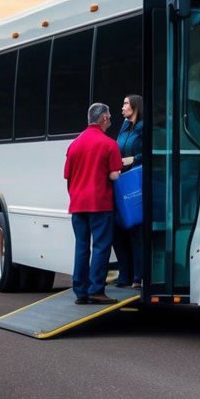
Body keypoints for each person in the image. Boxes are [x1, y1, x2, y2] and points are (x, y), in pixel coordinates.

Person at [64, 103, 122, 305]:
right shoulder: (109, 144)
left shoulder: (74, 145)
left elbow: (68, 177)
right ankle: (96, 289)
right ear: (104, 119)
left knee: (81, 247)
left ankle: (80, 291)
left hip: (78, 204)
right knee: (100, 247)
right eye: (109, 117)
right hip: (100, 204)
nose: (110, 121)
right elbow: (114, 175)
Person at [113, 94, 143, 288]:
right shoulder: (124, 127)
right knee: (118, 229)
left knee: (135, 229)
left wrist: (134, 159)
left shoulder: (143, 128)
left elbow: (151, 151)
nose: (122, 107)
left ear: (135, 106)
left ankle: (137, 276)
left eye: (125, 103)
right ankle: (124, 274)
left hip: (136, 181)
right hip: (121, 180)